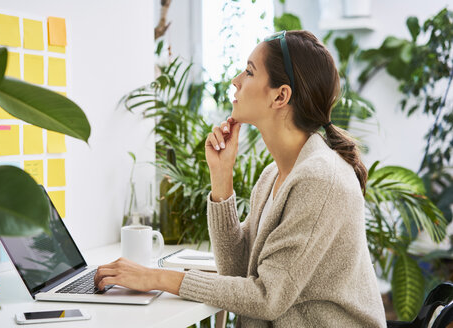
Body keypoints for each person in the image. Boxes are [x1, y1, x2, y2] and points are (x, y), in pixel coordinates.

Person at [94, 30, 387, 327]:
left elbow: (266, 297)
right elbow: (237, 272)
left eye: (249, 71)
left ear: (280, 95)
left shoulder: (320, 179)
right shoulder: (275, 174)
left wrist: (156, 277)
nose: (235, 80)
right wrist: (222, 177)